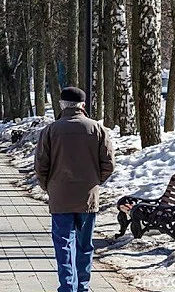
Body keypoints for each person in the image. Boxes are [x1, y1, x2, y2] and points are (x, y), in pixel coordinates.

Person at [34, 87, 115, 292]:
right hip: (87, 197)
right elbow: (109, 164)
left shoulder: (51, 130)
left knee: (63, 245)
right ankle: (83, 286)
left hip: (60, 196)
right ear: (83, 105)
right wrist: (94, 182)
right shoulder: (97, 129)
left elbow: (41, 164)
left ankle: (67, 286)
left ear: (62, 105)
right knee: (85, 245)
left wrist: (48, 186)